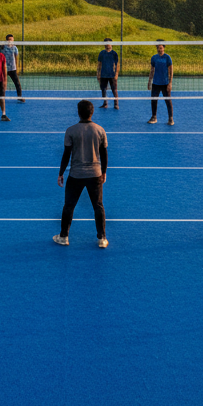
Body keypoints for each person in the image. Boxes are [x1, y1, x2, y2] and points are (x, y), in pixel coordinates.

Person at [54, 100, 109, 248]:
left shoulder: (71, 131)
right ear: (92, 112)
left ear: (78, 112)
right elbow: (104, 154)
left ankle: (64, 236)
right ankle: (102, 238)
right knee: (98, 206)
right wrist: (103, 172)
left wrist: (61, 173)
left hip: (76, 175)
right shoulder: (100, 130)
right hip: (95, 174)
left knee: (69, 206)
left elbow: (66, 154)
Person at [146, 41, 174, 125]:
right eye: (158, 48)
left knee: (168, 101)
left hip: (165, 83)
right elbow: (152, 70)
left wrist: (170, 82)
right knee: (154, 100)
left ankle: (170, 118)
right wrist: (149, 81)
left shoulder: (167, 57)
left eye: (161, 48)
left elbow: (171, 70)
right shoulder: (154, 58)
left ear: (164, 48)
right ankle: (154, 117)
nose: (160, 49)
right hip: (156, 83)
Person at [96, 38, 120, 109]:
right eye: (106, 43)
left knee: (114, 89)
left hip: (112, 75)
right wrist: (98, 74)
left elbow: (117, 65)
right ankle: (105, 103)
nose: (107, 44)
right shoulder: (102, 53)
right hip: (103, 75)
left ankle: (116, 104)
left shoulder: (114, 54)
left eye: (108, 43)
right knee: (103, 89)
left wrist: (116, 74)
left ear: (111, 44)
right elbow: (99, 64)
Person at [3, 33, 24, 103]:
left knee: (17, 83)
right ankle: (1, 97)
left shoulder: (15, 48)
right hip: (4, 69)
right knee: (1, 84)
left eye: (12, 40)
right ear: (6, 40)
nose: (10, 41)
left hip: (13, 69)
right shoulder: (3, 48)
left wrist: (17, 68)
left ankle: (19, 96)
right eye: (9, 40)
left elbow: (16, 58)